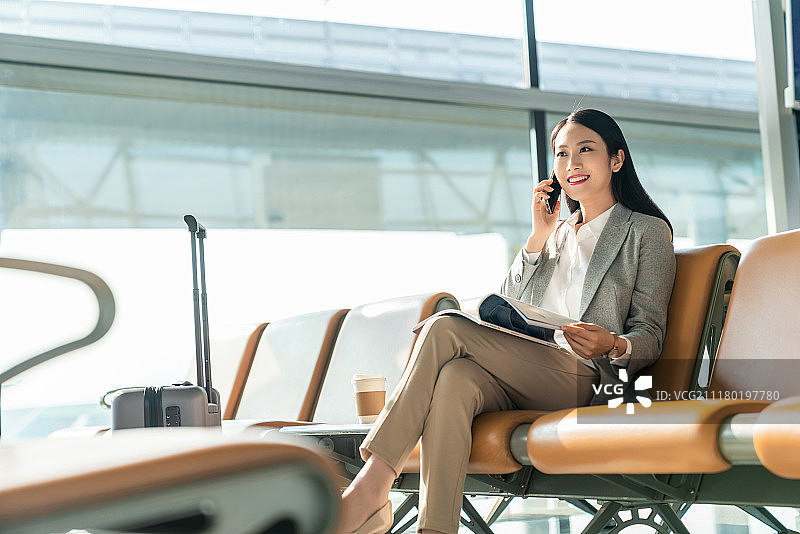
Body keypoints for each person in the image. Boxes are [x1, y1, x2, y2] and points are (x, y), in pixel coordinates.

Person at [338, 109, 676, 534]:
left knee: (443, 326)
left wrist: (612, 344)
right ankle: (436, 528)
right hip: (528, 371)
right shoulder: (553, 235)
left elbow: (650, 335)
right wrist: (537, 238)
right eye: (562, 154)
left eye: (585, 150)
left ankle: (372, 488)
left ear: (616, 160)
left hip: (585, 379)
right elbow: (509, 310)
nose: (572, 164)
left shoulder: (646, 232)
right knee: (455, 379)